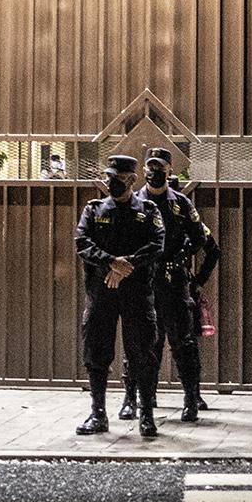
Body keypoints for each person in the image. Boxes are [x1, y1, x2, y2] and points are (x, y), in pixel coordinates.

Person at [122, 147, 221, 423]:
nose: (155, 172)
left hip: (174, 281)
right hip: (144, 281)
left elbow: (202, 238)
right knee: (140, 343)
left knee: (184, 343)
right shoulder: (134, 202)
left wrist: (186, 254)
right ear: (143, 170)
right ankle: (132, 399)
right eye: (150, 167)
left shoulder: (180, 203)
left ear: (169, 169)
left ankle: (191, 399)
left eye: (160, 167)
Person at [73, 155, 165, 438]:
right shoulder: (94, 209)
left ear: (132, 180)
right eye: (109, 176)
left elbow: (157, 244)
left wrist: (127, 266)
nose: (111, 182)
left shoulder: (148, 211)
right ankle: (98, 413)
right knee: (97, 352)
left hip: (136, 293)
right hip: (103, 293)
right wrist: (111, 261)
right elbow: (81, 242)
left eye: (118, 177)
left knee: (143, 354)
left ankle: (146, 416)